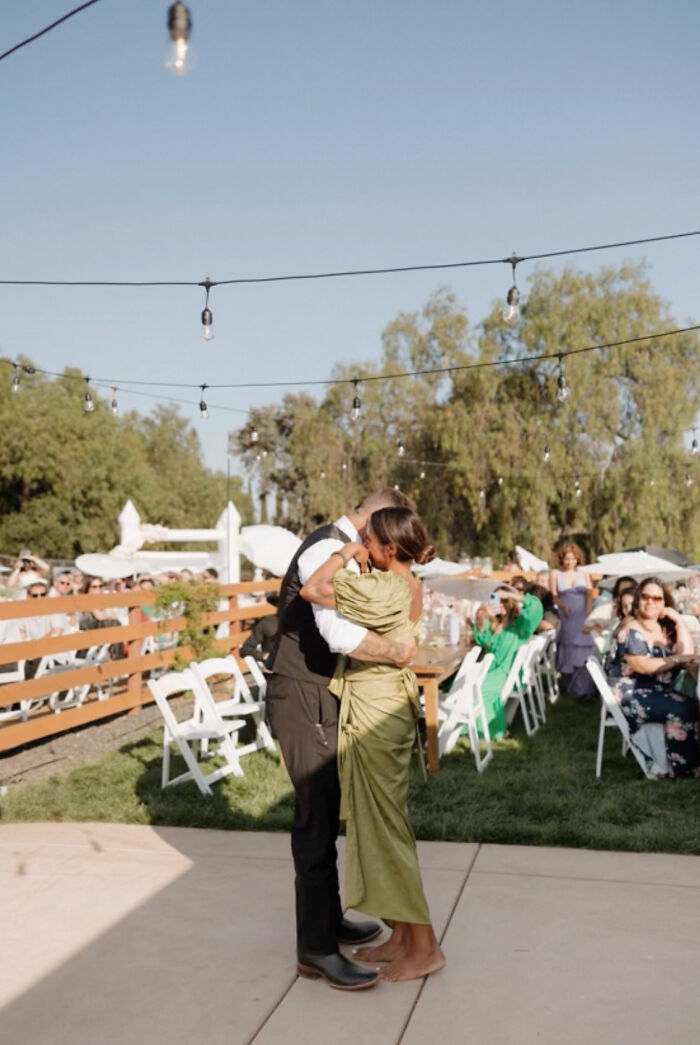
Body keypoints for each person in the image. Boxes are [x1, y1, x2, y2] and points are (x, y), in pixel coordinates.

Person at [265, 487, 418, 992]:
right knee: (314, 817)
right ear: (374, 521)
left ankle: (329, 921)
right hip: (303, 693)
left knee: (327, 810)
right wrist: (396, 652)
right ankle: (315, 950)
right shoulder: (329, 550)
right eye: (387, 530)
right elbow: (338, 635)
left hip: (318, 692)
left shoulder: (343, 548)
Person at [300, 506, 445, 983]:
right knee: (385, 823)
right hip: (386, 704)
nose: (363, 544)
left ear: (388, 548)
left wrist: (343, 552)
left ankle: (425, 947)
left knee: (387, 829)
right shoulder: (408, 586)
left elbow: (313, 589)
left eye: (369, 539)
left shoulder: (386, 589)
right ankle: (401, 936)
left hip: (376, 711)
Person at [606, 577, 699, 777]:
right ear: (638, 600)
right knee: (683, 708)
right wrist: (677, 659)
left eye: (657, 598)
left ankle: (684, 763)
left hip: (653, 690)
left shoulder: (663, 628)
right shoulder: (630, 629)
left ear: (664, 603)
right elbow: (643, 666)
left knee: (693, 704)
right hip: (629, 692)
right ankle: (684, 769)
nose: (650, 601)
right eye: (645, 597)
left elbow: (687, 654)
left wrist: (679, 622)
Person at [472, 585, 543, 737]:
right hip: (489, 669)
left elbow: (537, 607)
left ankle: (481, 728)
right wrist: (482, 617)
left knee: (475, 691)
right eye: (497, 600)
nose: (501, 604)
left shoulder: (521, 625)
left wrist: (509, 594)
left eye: (504, 601)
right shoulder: (495, 623)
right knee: (462, 685)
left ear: (512, 602)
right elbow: (482, 640)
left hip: (505, 673)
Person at [549, 542, 594, 696]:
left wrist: (588, 610)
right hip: (566, 615)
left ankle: (585, 686)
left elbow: (589, 592)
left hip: (582, 614)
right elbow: (554, 596)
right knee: (568, 646)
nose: (570, 562)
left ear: (577, 559)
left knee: (583, 645)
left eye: (573, 558)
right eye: (567, 559)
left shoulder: (584, 573)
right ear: (562, 559)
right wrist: (563, 606)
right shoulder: (555, 573)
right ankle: (570, 686)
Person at [239, 592, 279, 667]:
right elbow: (245, 649)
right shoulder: (268, 623)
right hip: (274, 669)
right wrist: (263, 656)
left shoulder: (299, 624)